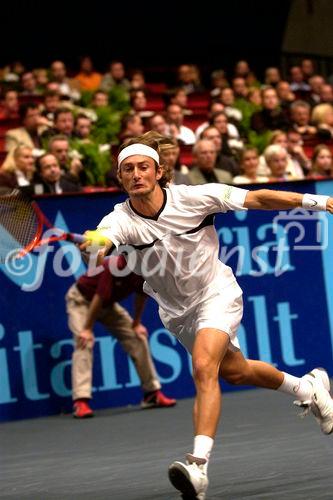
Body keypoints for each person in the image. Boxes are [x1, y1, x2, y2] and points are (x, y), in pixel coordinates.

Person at [82, 131, 333, 499]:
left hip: (216, 292)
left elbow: (257, 197)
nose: (136, 174)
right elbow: (100, 247)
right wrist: (95, 246)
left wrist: (321, 200)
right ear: (120, 178)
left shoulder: (194, 197)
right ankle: (308, 388)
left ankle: (197, 466)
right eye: (128, 169)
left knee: (203, 367)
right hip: (175, 311)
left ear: (159, 172)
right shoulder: (118, 220)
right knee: (235, 371)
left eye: (143, 167)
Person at [66, 254, 176, 418]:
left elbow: (141, 295)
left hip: (107, 305)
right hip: (81, 300)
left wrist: (136, 323)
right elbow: (99, 296)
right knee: (84, 342)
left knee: (137, 337)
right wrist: (87, 329)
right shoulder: (113, 266)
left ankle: (151, 394)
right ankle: (80, 401)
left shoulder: (142, 269)